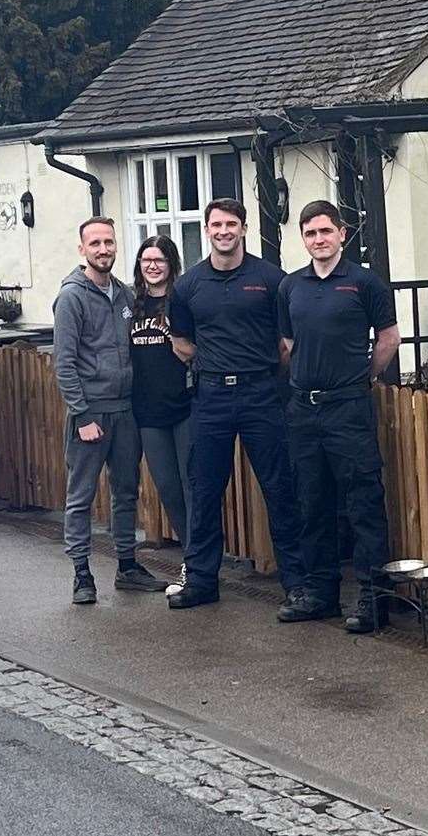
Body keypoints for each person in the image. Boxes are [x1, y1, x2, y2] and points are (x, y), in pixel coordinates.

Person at [166, 197, 321, 620]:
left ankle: (297, 584)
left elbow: (286, 343)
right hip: (211, 397)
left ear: (243, 228)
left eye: (231, 224)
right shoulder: (188, 285)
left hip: (261, 395)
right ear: (207, 230)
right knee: (204, 490)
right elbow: (180, 341)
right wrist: (211, 365)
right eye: (216, 225)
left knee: (280, 489)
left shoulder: (271, 279)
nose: (223, 231)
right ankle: (200, 581)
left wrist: (260, 370)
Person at [277, 200, 400, 634]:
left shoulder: (364, 283)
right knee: (311, 502)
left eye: (325, 232)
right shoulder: (291, 287)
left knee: (363, 501)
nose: (319, 240)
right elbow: (287, 345)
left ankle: (371, 599)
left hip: (348, 406)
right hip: (303, 410)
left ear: (342, 234)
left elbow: (388, 339)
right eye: (310, 234)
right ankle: (320, 593)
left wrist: (360, 377)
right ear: (304, 239)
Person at [52, 216, 167, 604]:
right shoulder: (72, 297)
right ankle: (81, 573)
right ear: (82, 249)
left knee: (125, 491)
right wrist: (82, 415)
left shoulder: (123, 294)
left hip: (125, 411)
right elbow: (64, 363)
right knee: (81, 496)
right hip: (91, 413)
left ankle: (127, 566)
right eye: (96, 243)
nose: (104, 250)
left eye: (109, 243)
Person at [130, 234, 193, 595]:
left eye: (160, 259)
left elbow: (195, 349)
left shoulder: (182, 302)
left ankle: (198, 564)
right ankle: (191, 556)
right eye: (146, 260)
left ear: (171, 264)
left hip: (184, 408)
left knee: (191, 487)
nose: (153, 266)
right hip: (148, 413)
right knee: (169, 490)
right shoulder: (131, 304)